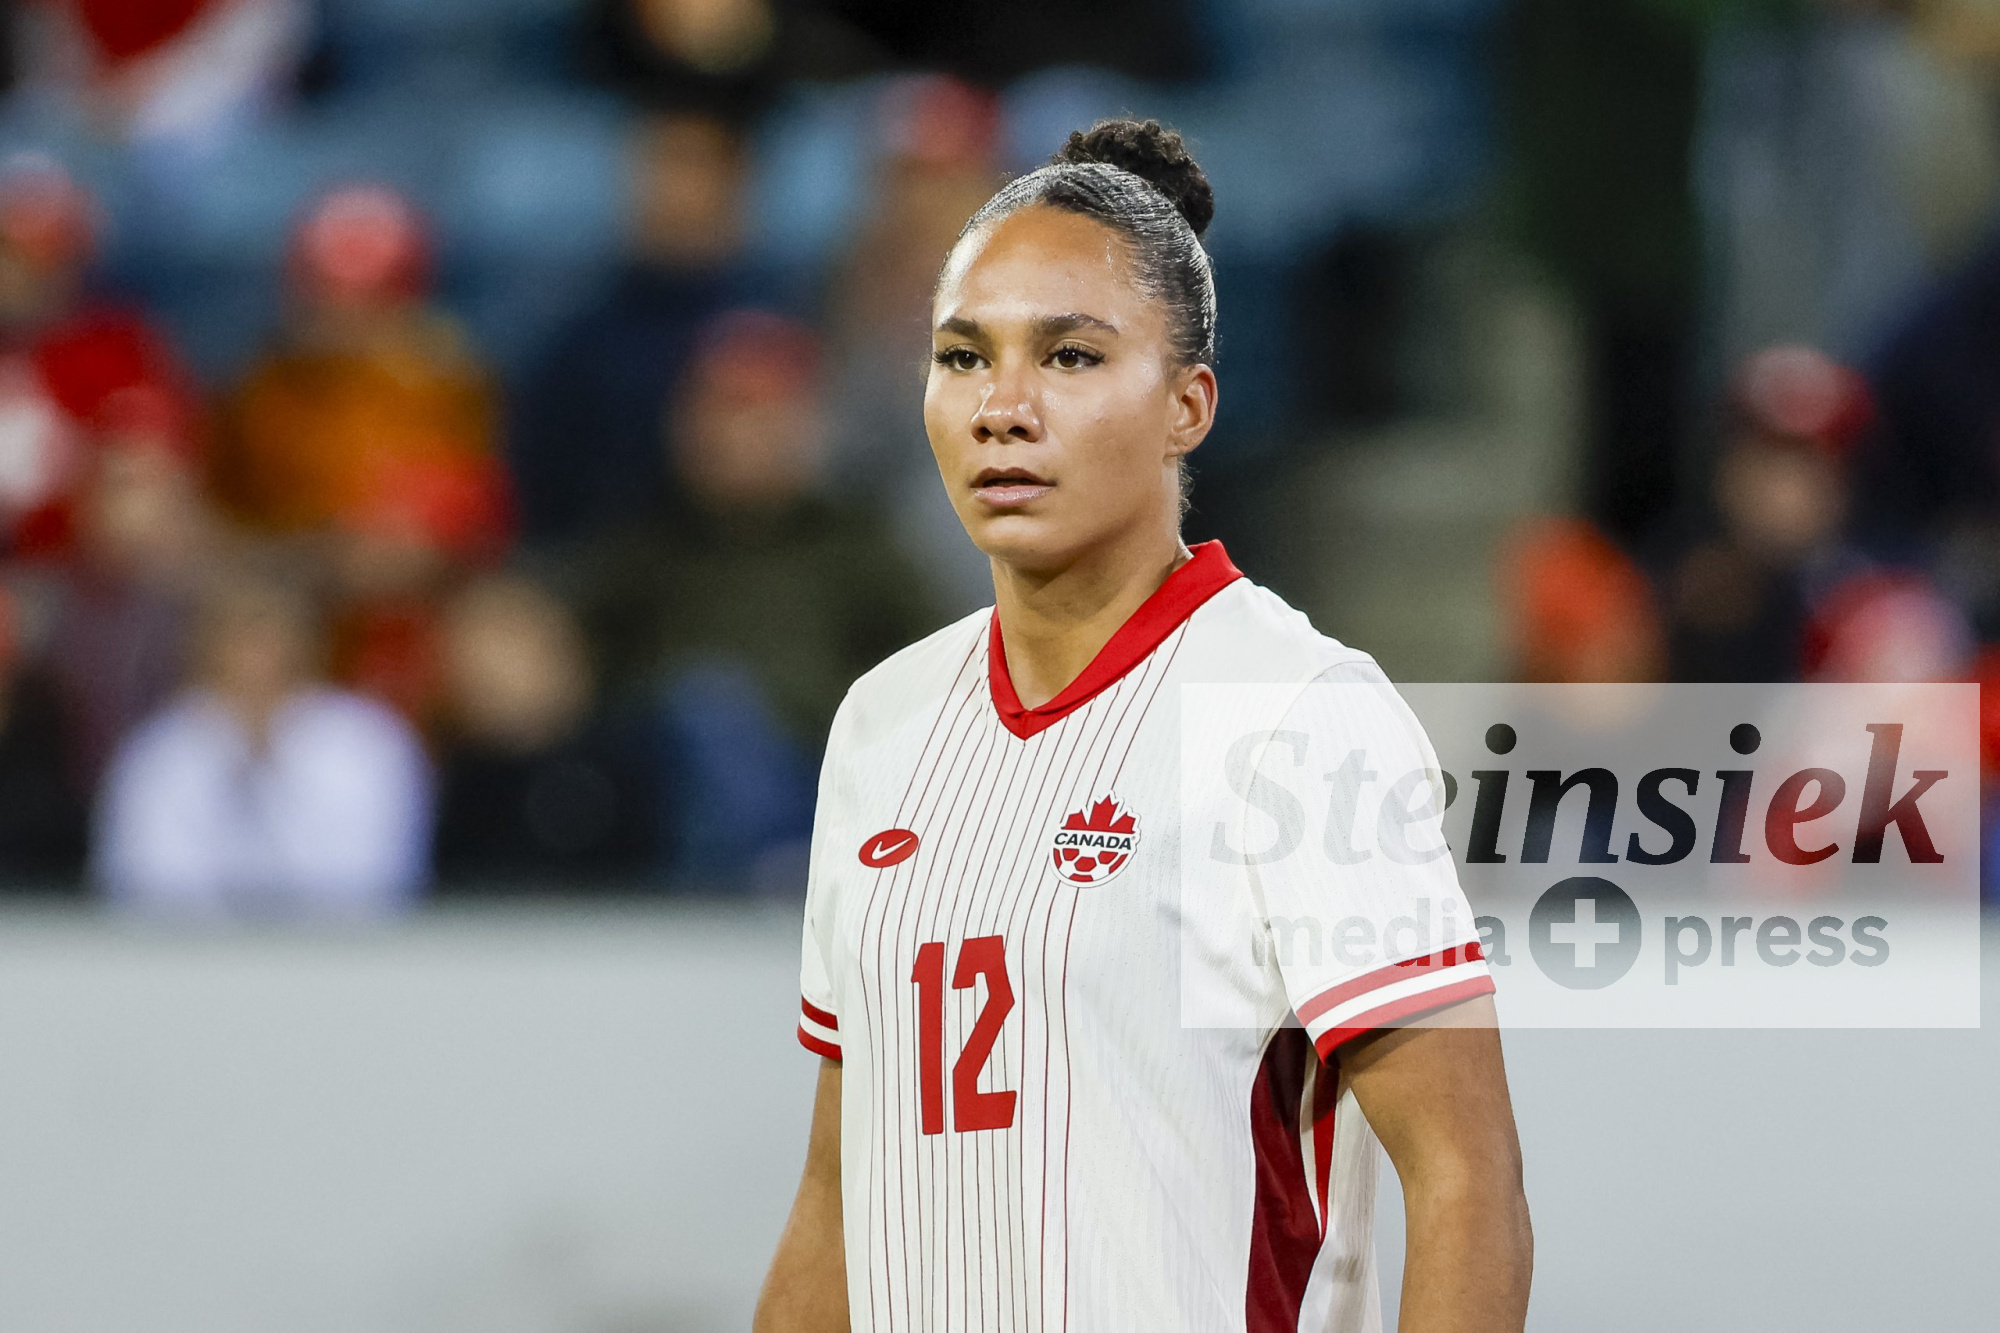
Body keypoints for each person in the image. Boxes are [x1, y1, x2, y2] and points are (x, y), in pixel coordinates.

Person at [755, 121, 1531, 1331]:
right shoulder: (879, 723)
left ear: (1186, 406)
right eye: (961, 356)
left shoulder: (1296, 714)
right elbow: (834, 1196)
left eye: (1068, 356)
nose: (1002, 406)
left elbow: (1466, 1184)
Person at [566, 309, 939, 884]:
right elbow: (570, 671)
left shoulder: (855, 543)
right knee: (703, 709)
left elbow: (938, 668)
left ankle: (776, 866)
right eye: (720, 410)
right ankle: (768, 872)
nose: (735, 435)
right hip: (665, 780)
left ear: (805, 425)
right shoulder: (641, 544)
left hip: (825, 770)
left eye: (760, 413)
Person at [91, 567, 431, 919]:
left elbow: (376, 880)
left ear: (307, 643)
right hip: (192, 951)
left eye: (270, 633)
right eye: (240, 634)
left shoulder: (368, 744)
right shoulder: (159, 753)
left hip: (339, 949)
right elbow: (144, 885)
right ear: (205, 647)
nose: (256, 655)